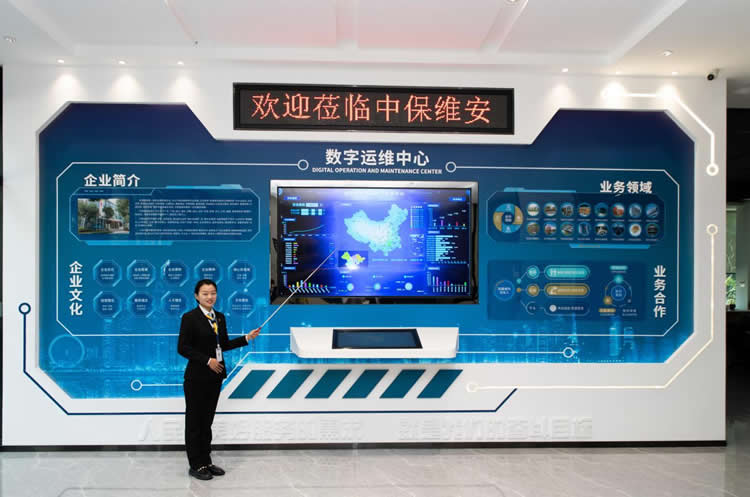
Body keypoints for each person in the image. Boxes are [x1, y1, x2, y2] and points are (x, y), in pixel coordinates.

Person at [177, 279, 260, 480]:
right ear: (196, 296)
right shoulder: (190, 317)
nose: (210, 297)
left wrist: (246, 338)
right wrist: (207, 360)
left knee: (207, 421)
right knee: (195, 422)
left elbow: (223, 344)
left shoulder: (219, 317)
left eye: (213, 293)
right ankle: (196, 464)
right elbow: (183, 347)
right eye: (205, 293)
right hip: (196, 378)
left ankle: (206, 461)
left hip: (215, 376)